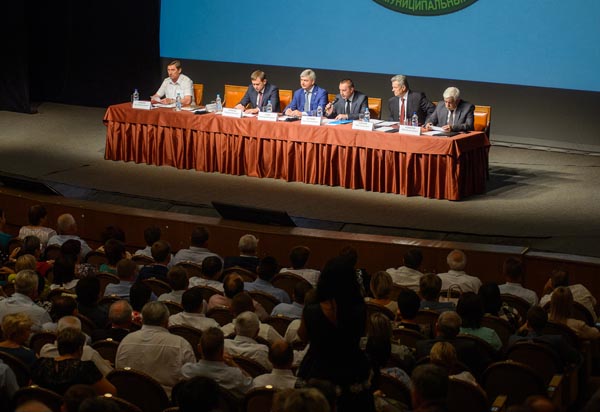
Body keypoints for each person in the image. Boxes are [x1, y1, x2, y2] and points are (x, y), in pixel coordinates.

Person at [297, 255, 374, 412]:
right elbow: (364, 334)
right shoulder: (360, 309)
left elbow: (303, 337)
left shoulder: (311, 311)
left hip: (318, 370)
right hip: (351, 370)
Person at [116, 301, 195, 395]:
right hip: (167, 399)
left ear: (142, 320)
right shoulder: (181, 344)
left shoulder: (126, 340)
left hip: (130, 396)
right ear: (167, 322)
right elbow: (190, 381)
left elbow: (119, 372)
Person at [31, 327, 116, 395]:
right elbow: (111, 392)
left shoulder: (41, 364)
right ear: (80, 349)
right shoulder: (85, 368)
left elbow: (32, 389)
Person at [181, 327, 253, 398]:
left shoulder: (186, 371)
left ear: (199, 349)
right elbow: (251, 386)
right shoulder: (235, 376)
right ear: (222, 350)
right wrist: (232, 363)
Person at [508, 305, 579, 368]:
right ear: (546, 324)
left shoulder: (513, 340)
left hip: (524, 377)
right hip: (551, 377)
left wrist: (520, 330)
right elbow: (576, 358)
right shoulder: (557, 340)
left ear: (527, 324)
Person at [39, 315, 113, 376]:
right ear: (80, 334)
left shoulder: (45, 350)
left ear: (57, 333)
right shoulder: (88, 352)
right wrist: (103, 363)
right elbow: (110, 375)